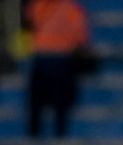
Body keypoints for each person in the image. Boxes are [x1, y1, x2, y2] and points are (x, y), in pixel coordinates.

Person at [25, 0, 90, 137]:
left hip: (42, 58)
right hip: (61, 60)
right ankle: (58, 140)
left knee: (36, 108)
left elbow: (30, 24)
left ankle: (34, 144)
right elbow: (81, 37)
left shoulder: (39, 5)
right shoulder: (72, 9)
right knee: (60, 107)